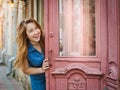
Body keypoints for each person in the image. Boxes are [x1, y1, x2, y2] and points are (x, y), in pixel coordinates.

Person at [14, 18, 50, 90]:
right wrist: (42, 69)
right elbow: (26, 69)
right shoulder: (25, 50)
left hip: (53, 77)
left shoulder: (46, 40)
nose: (36, 32)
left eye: (36, 28)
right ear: (26, 35)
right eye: (31, 31)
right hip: (38, 83)